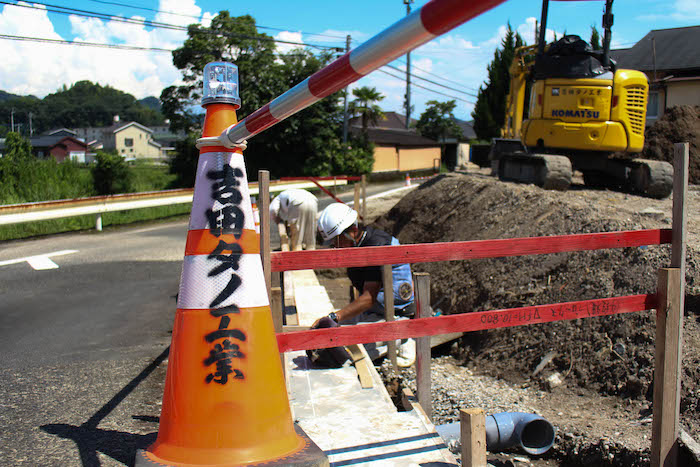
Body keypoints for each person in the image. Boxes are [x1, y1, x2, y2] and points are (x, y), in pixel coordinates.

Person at [309, 202, 416, 367]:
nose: (335, 247)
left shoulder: (376, 247)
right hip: (375, 312)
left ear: (352, 231)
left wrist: (334, 316)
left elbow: (368, 298)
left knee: (348, 352)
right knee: (326, 336)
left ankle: (405, 341)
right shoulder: (358, 244)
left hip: (394, 316)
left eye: (337, 241)